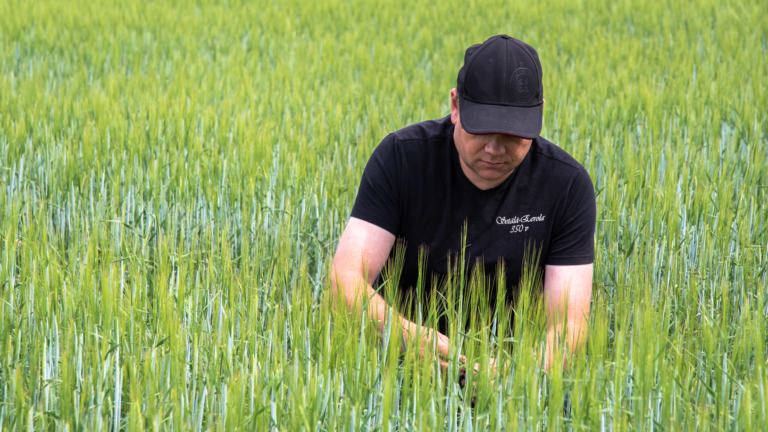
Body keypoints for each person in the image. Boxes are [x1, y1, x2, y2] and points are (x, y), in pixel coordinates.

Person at [331, 35, 595, 371]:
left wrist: (515, 378)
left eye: (512, 134)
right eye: (481, 130)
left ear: (539, 113)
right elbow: (344, 281)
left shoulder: (567, 185)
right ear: (456, 106)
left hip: (515, 380)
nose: (494, 149)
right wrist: (407, 338)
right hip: (395, 363)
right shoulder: (401, 158)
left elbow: (569, 324)